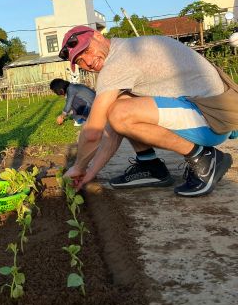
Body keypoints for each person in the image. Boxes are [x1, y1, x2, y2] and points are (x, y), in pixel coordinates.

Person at [58, 26, 233, 197]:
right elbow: (112, 131)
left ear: (98, 36)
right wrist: (90, 171)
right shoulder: (125, 49)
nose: (88, 62)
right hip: (215, 114)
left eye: (87, 50)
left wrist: (78, 167)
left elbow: (92, 132)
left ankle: (204, 158)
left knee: (121, 113)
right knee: (120, 105)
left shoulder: (118, 62)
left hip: (212, 118)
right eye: (80, 61)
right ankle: (149, 165)